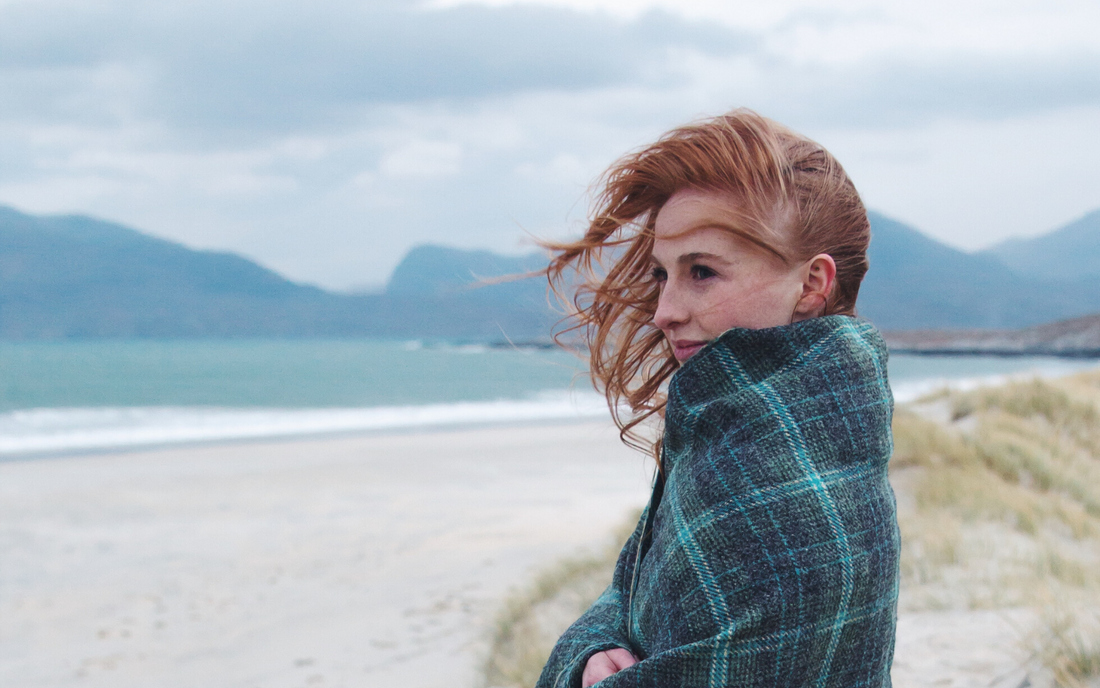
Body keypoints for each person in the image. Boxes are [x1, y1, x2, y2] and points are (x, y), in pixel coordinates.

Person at [537, 110, 900, 688]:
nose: (664, 311)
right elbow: (631, 595)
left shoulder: (787, 491)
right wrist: (593, 649)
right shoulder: (739, 438)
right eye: (661, 274)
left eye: (702, 272)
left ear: (811, 285)